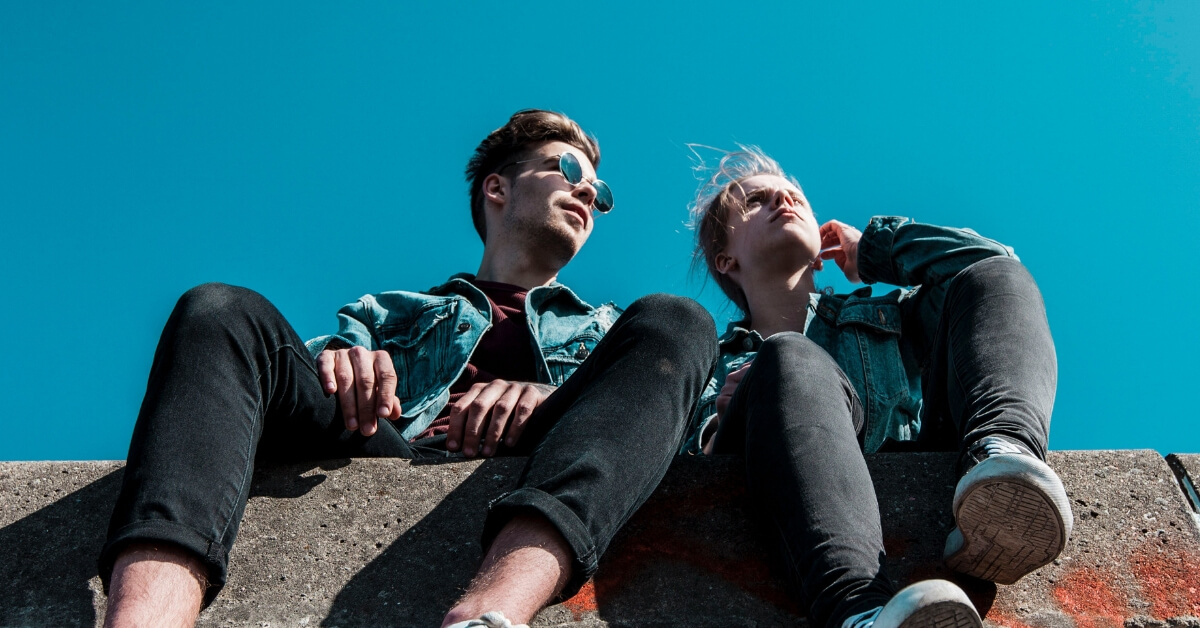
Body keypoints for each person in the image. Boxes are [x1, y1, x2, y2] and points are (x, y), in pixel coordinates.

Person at [98, 109, 717, 628]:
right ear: (497, 189)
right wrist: (337, 363)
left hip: (548, 459)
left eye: (601, 192)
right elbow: (267, 383)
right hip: (391, 443)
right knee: (218, 310)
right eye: (571, 169)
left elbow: (687, 427)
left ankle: (490, 614)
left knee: (679, 318)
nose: (589, 192)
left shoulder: (613, 331)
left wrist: (549, 397)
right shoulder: (387, 312)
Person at [686, 147, 1072, 628]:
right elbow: (672, 459)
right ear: (725, 260)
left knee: (996, 276)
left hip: (915, 455)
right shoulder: (707, 358)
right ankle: (861, 613)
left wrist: (870, 250)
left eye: (793, 196)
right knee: (789, 355)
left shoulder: (893, 316)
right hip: (783, 503)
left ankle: (1002, 462)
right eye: (756, 200)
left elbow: (990, 264)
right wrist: (714, 431)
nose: (782, 200)